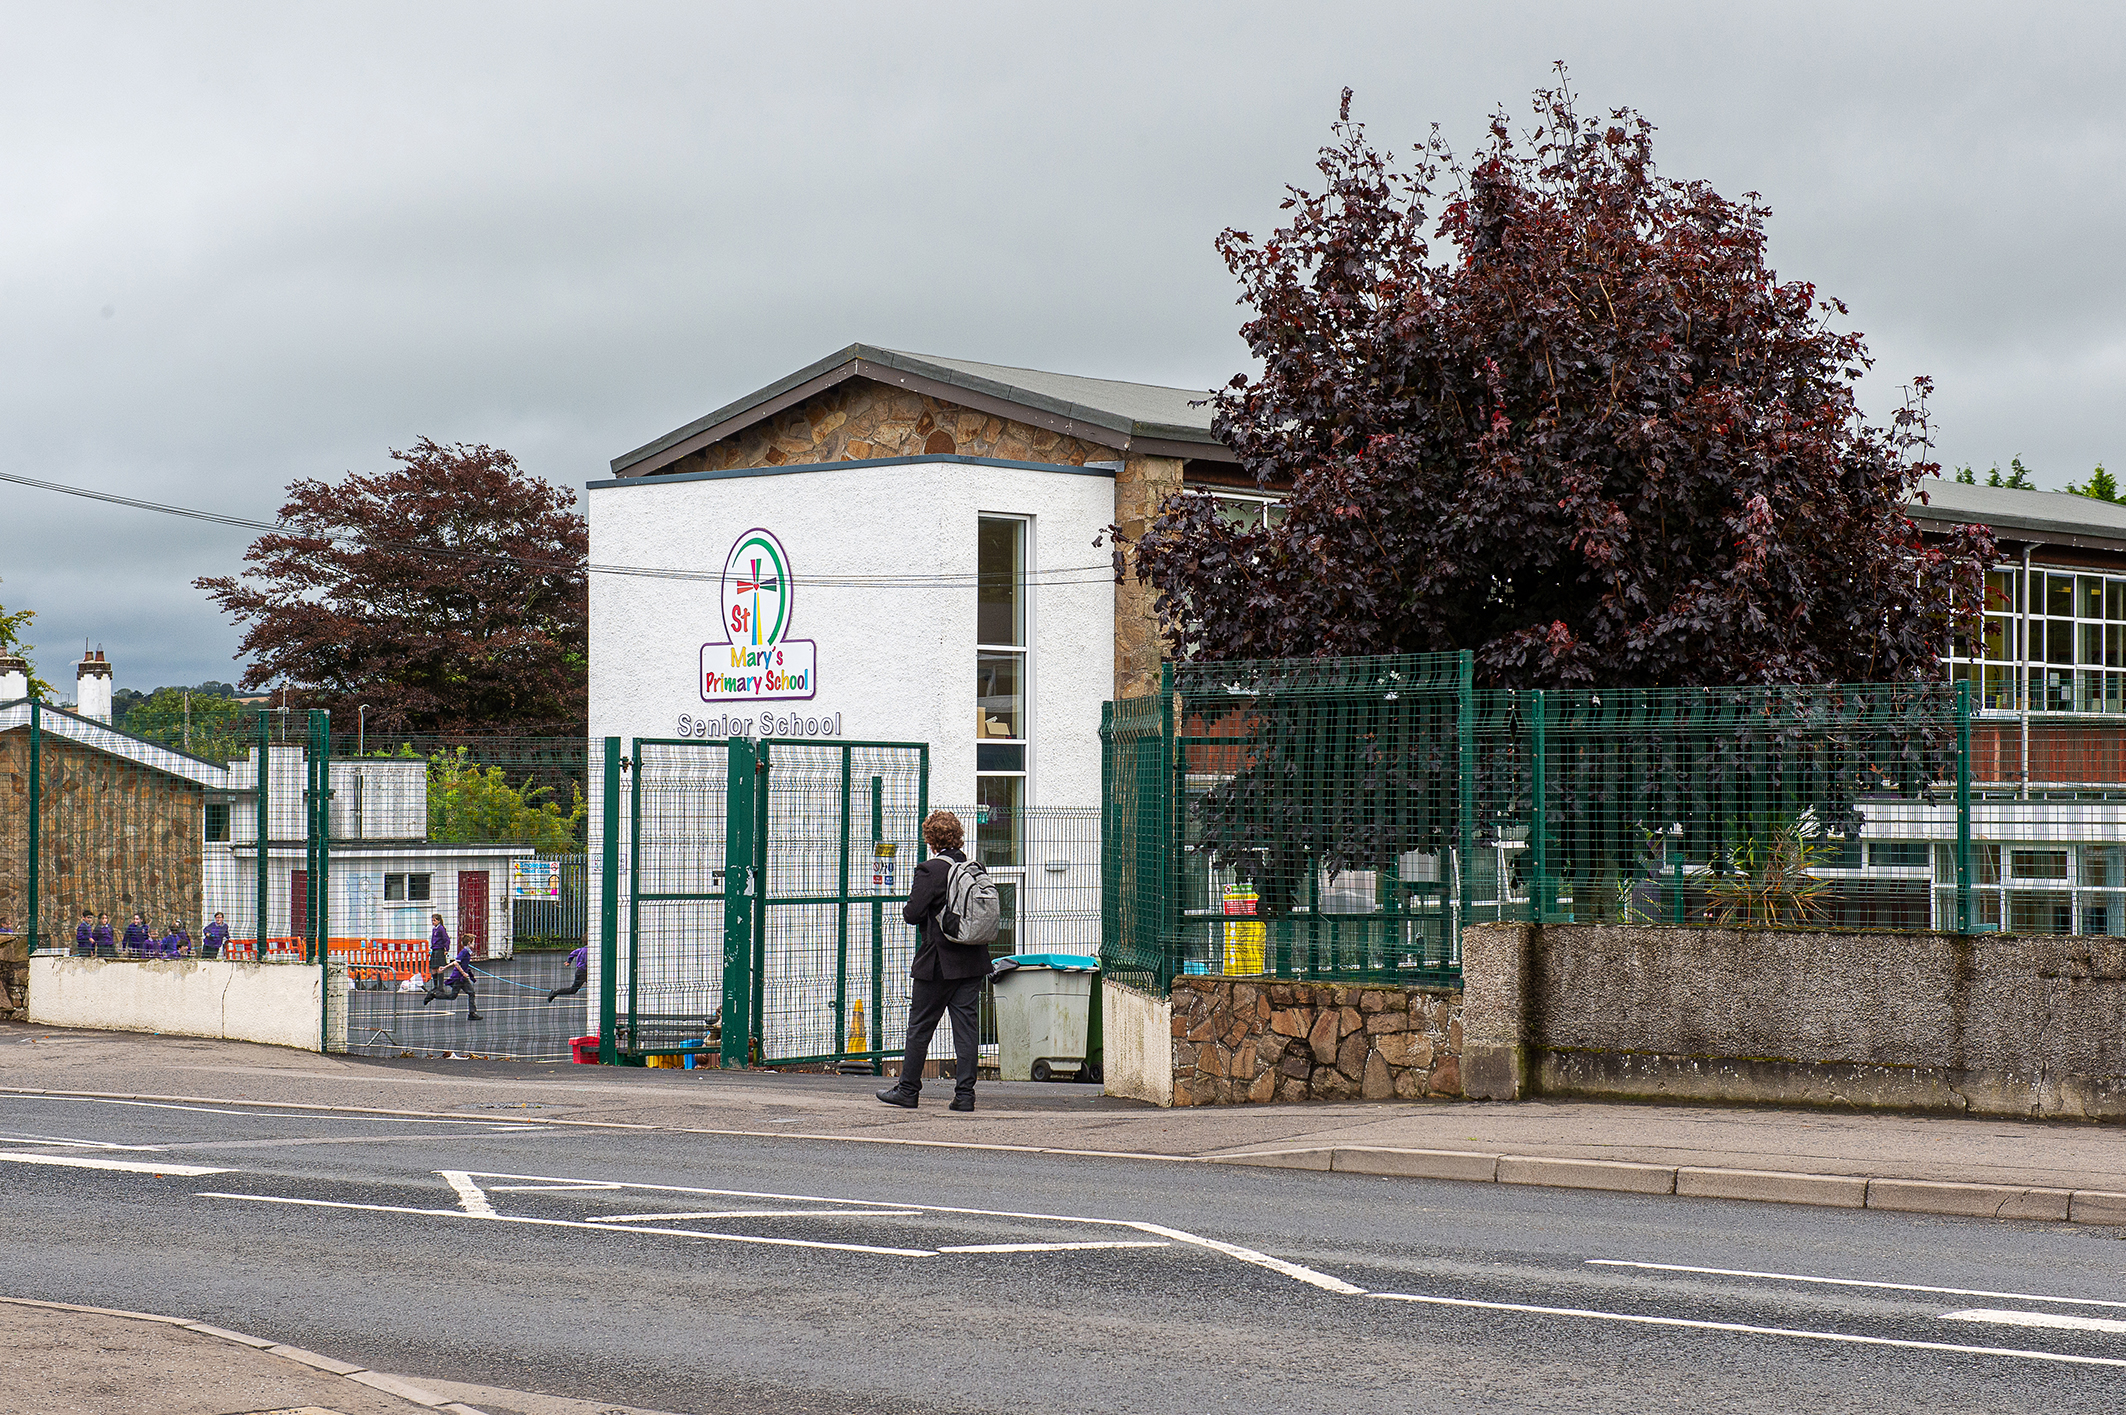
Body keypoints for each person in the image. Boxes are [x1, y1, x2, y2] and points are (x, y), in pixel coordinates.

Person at [877, 810, 986, 1113]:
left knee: (920, 1027)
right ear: (957, 835)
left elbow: (912, 914)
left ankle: (908, 1090)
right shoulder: (972, 867)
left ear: (930, 838)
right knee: (966, 1029)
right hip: (972, 960)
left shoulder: (930, 870)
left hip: (939, 963)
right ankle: (965, 1096)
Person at [423, 940, 481, 1021]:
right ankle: (434, 995)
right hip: (458, 978)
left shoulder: (467, 952)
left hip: (462, 978)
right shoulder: (464, 952)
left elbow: (460, 964)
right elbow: (456, 963)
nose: (474, 944)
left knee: (470, 993)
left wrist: (469, 976)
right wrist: (463, 973)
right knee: (453, 996)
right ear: (468, 943)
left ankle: (472, 1013)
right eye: (473, 942)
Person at [427, 914, 451, 985]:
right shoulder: (434, 929)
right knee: (433, 969)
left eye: (434, 920)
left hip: (439, 949)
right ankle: (435, 986)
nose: (433, 922)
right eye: (432, 921)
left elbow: (446, 939)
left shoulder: (441, 929)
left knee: (439, 968)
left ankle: (440, 986)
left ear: (439, 921)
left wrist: (446, 949)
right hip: (434, 949)